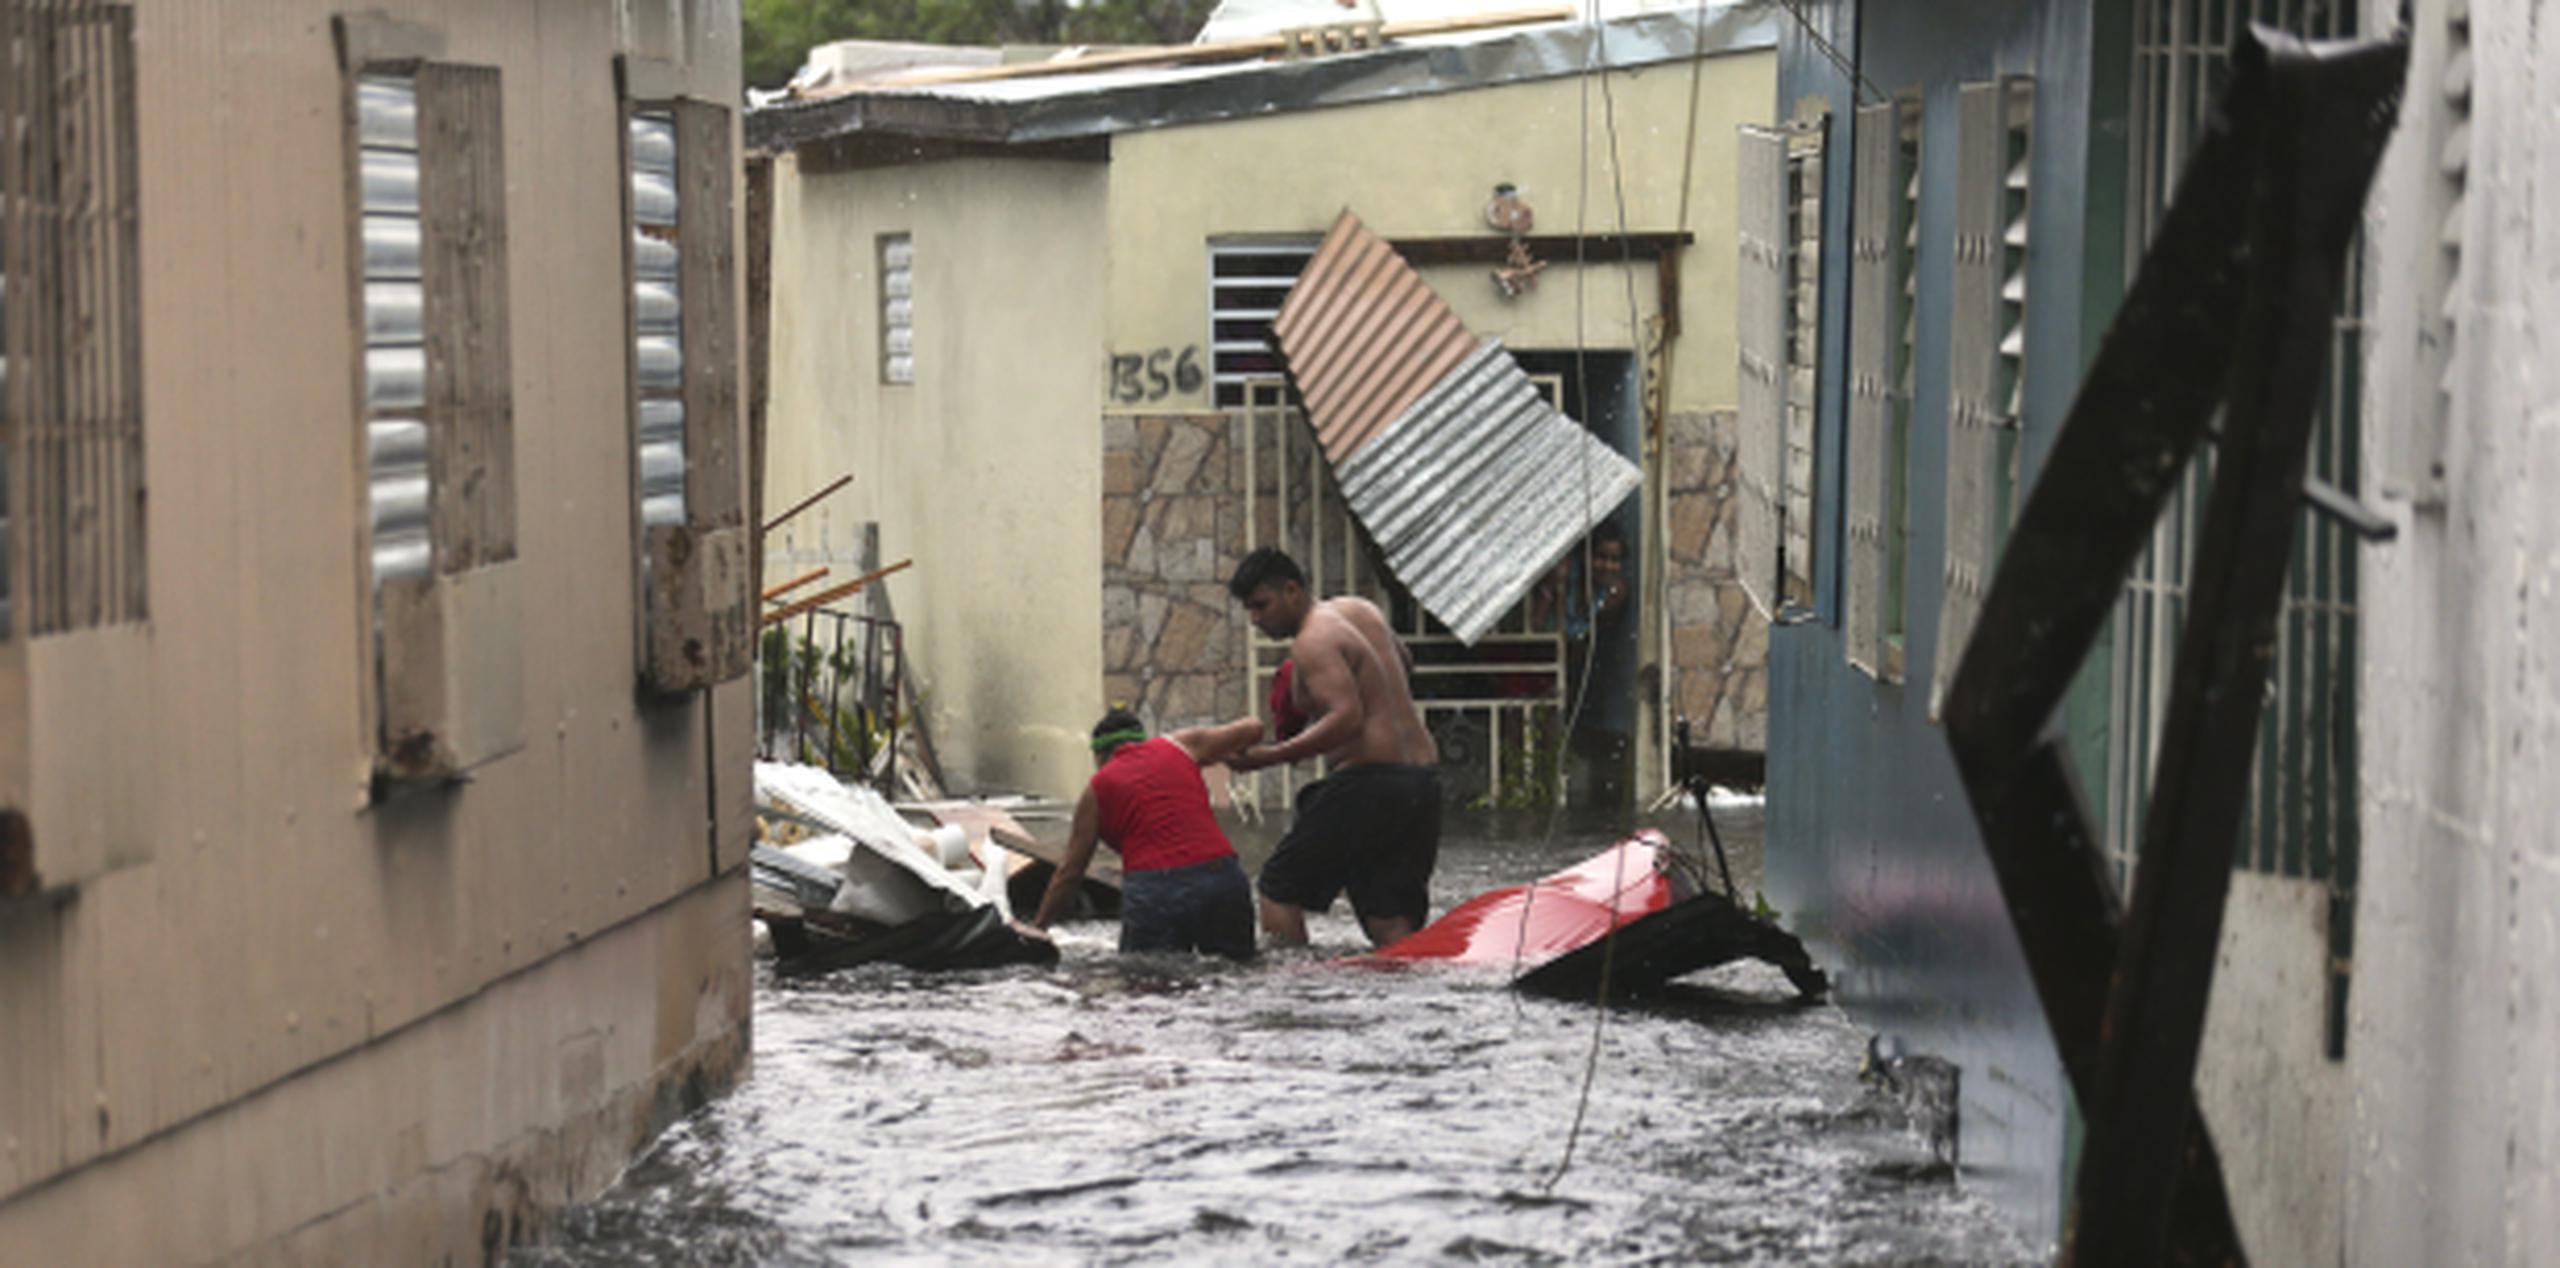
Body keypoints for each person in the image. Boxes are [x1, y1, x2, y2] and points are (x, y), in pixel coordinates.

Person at [1223, 548, 1442, 948]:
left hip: (1370, 781)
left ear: (1292, 590)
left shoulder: (1311, 640)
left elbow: (1346, 718)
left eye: (1261, 605)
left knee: (1278, 888)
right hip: (1422, 780)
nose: (1255, 620)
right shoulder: (1358, 610)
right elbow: (1405, 661)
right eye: (1248, 610)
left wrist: (1269, 757)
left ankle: (1300, 999)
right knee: (1388, 916)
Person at [1029, 709, 1263, 960]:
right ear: (1143, 740)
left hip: (1155, 892)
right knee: (1236, 973)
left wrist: (1038, 928)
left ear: (1098, 756)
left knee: (1147, 983)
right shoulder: (1179, 746)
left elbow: (1070, 872)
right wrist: (1227, 756)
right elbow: (1254, 727)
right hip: (1221, 880)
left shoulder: (1096, 791)